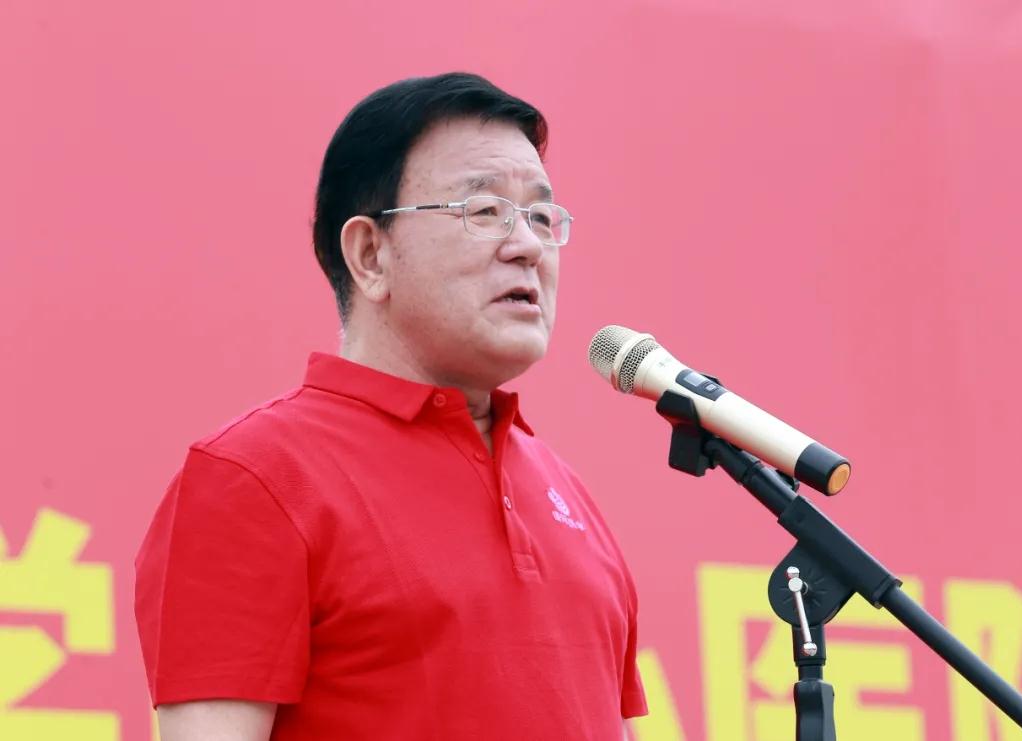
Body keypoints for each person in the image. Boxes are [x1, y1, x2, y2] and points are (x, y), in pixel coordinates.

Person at [134, 72, 648, 740]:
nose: (527, 246)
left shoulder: (566, 494)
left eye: (541, 217)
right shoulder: (253, 478)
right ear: (370, 254)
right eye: (483, 211)